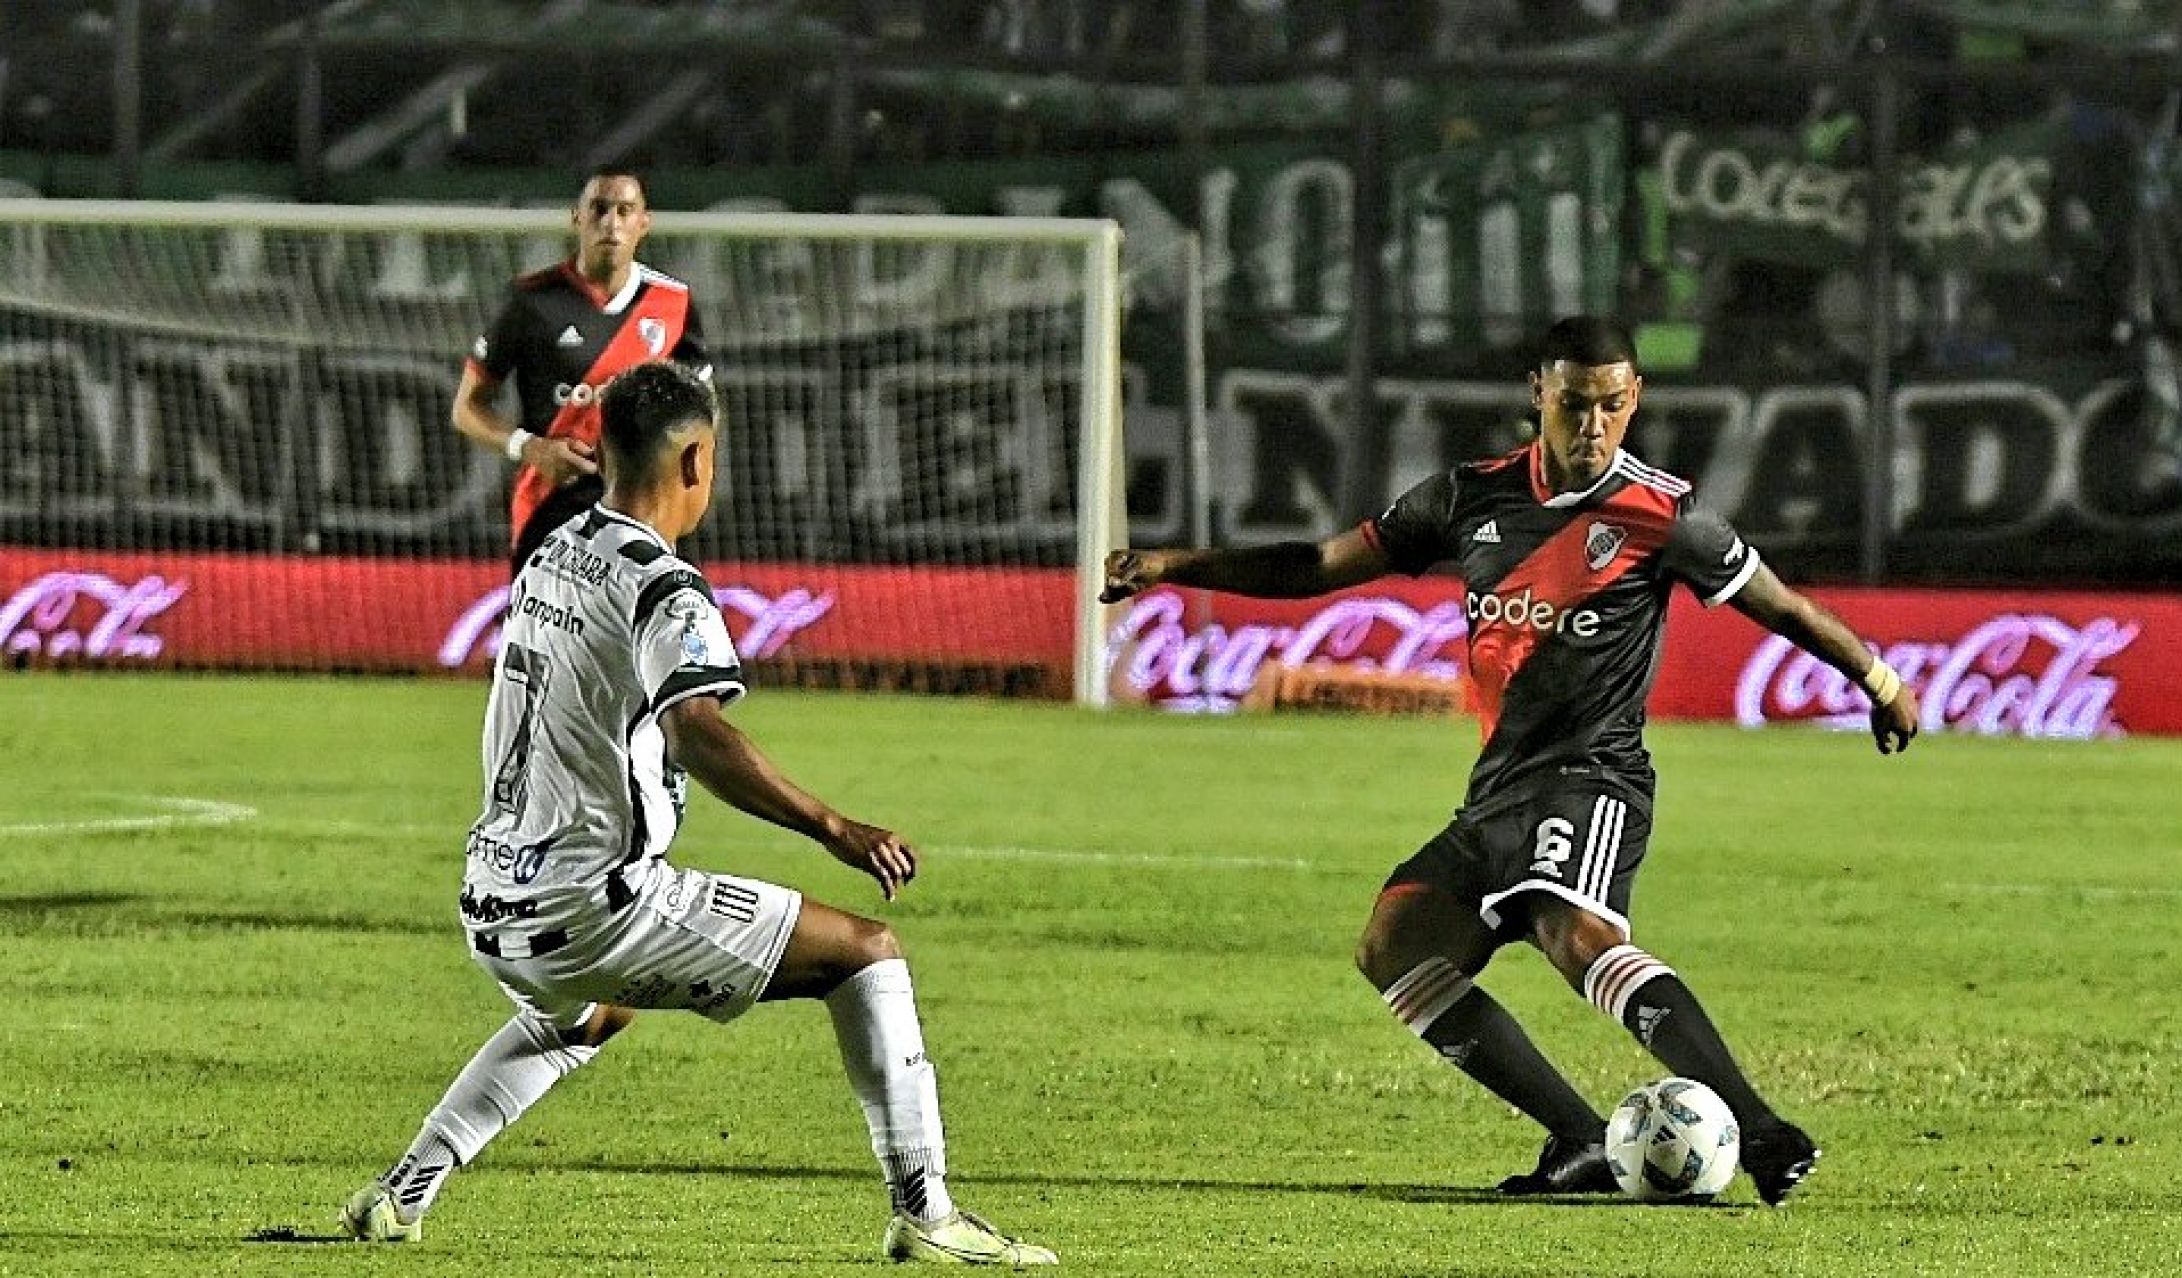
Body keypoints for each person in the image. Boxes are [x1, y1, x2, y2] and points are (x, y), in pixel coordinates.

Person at [1100, 315, 1920, 1206]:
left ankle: (1760, 1130)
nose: (1593, 425)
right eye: (1574, 403)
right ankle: (1579, 1138)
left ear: (1635, 400)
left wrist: (1877, 678)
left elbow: (1783, 607)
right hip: (1498, 790)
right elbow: (1321, 562)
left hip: (1594, 775)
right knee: (1393, 944)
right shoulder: (1470, 497)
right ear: (1539, 395)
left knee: (1570, 930)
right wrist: (1175, 564)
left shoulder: (1664, 515)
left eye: (1612, 405)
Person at [345, 361, 1054, 1266]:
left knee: (591, 1016)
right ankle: (927, 1211)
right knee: (868, 954)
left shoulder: (552, 552)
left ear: (598, 452)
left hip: (492, 897)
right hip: (596, 904)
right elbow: (698, 733)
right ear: (696, 465)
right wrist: (837, 828)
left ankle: (400, 1196)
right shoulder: (664, 587)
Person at [453, 170, 711, 575]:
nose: (611, 223)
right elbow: (467, 407)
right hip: (553, 506)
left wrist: (688, 485)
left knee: (663, 630)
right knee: (547, 637)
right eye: (599, 209)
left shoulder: (673, 303)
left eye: (625, 211)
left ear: (644, 222)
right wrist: (531, 448)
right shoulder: (530, 301)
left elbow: (703, 413)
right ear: (577, 217)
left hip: (646, 509)